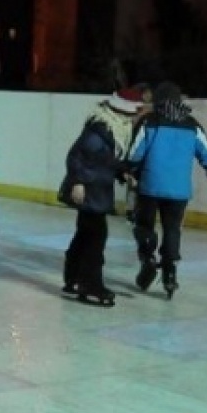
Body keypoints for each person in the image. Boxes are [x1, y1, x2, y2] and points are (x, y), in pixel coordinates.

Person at [125, 81, 207, 299]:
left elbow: (135, 151)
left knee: (144, 225)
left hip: (150, 186)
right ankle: (170, 272)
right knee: (172, 229)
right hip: (179, 190)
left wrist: (128, 170)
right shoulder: (191, 125)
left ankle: (148, 257)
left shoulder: (150, 122)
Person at [57, 87, 146, 307]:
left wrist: (123, 172)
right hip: (88, 189)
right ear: (123, 111)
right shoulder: (100, 130)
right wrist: (78, 182)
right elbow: (76, 156)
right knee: (96, 238)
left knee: (85, 235)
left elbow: (106, 159)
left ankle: (74, 279)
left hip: (97, 188)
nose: (136, 116)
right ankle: (90, 286)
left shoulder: (112, 130)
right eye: (134, 111)